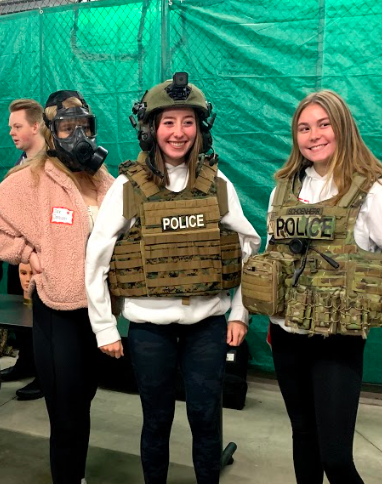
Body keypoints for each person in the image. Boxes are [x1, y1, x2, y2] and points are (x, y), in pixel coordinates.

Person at [85, 73, 261, 484]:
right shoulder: (128, 186)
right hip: (149, 328)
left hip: (207, 327)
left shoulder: (216, 184)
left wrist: (239, 314)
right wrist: (104, 327)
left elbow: (250, 248)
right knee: (156, 419)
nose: (178, 132)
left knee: (206, 418)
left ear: (201, 129)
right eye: (168, 122)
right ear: (151, 129)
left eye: (188, 122)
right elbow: (96, 256)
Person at [242, 89, 382, 484]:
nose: (314, 135)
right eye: (304, 128)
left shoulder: (376, 192)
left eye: (324, 125)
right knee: (303, 438)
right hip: (287, 335)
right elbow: (272, 259)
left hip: (337, 341)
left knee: (337, 458)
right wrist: (259, 316)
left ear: (342, 127)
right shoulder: (284, 189)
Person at [0, 90, 114, 484]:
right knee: (66, 410)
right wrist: (28, 254)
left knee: (84, 401)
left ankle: (74, 475)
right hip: (58, 312)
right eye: (66, 126)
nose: (77, 134)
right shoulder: (31, 179)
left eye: (84, 126)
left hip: (98, 313)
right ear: (51, 131)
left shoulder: (102, 179)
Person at [1, 98, 47, 401]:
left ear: (36, 125)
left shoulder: (51, 164)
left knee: (42, 317)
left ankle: (45, 375)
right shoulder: (19, 164)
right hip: (17, 252)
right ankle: (25, 361)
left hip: (41, 255)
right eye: (10, 128)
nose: (12, 133)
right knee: (20, 309)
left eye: (17, 126)